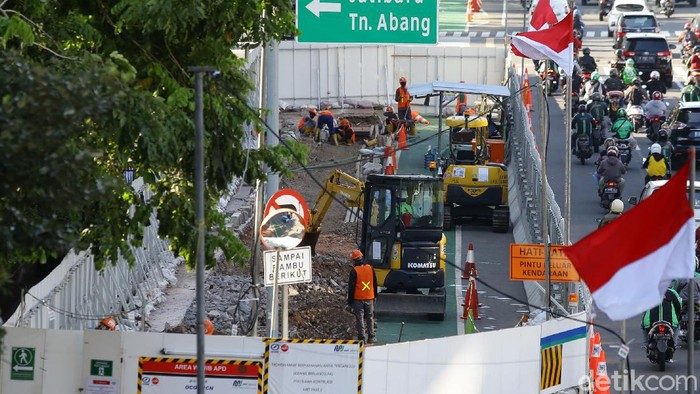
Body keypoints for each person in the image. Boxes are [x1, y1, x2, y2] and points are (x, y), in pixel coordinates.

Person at [347, 249, 377, 344]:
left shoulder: (354, 271)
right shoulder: (370, 268)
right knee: (370, 317)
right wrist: (375, 295)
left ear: (354, 260)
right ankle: (371, 337)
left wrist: (350, 301)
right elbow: (375, 283)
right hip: (370, 297)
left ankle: (362, 338)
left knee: (360, 318)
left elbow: (351, 287)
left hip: (358, 299)